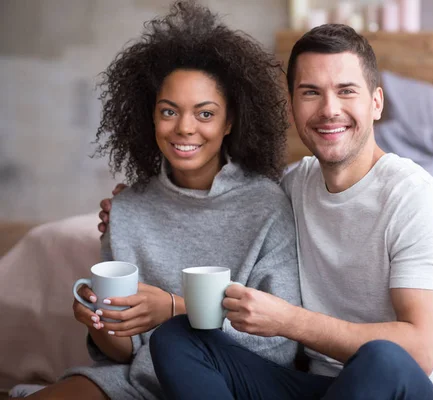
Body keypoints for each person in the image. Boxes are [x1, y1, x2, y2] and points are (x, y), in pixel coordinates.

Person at [103, 25, 433, 400]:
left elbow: (420, 351)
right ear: (292, 107)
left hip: (396, 387)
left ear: (376, 102)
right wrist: (140, 202)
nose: (329, 110)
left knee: (381, 359)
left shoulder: (417, 201)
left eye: (346, 91)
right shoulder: (294, 185)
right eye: (311, 93)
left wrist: (291, 322)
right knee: (177, 337)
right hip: (316, 388)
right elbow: (228, 199)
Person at [23, 2, 301, 399]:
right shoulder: (128, 210)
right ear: (150, 117)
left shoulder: (268, 207)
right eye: (169, 111)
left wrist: (175, 307)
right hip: (139, 384)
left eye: (205, 114)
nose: (184, 128)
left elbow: (278, 346)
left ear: (230, 121)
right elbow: (125, 354)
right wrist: (99, 323)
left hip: (230, 383)